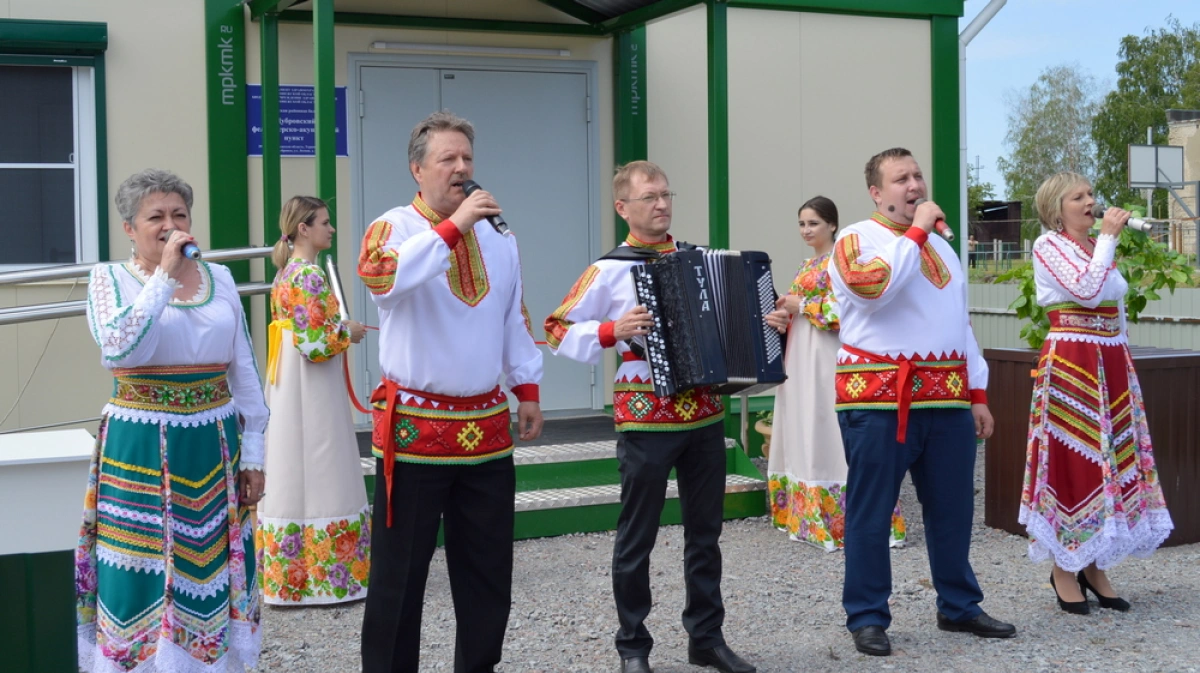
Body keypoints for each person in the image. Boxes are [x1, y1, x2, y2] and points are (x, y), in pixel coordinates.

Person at [545, 161, 756, 673]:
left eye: (665, 194)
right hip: (645, 415)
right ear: (624, 208)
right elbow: (555, 327)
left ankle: (705, 638)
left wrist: (760, 318)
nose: (661, 204)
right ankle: (633, 647)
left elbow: (733, 317)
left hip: (705, 412)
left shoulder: (700, 259)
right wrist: (609, 331)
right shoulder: (609, 269)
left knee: (705, 533)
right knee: (636, 535)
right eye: (649, 197)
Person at [356, 110, 544, 673]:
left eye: (467, 158)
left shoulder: (499, 237)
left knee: (488, 576)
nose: (462, 169)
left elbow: (513, 316)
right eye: (448, 159)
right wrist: (454, 225)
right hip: (415, 432)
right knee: (399, 579)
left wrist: (526, 387)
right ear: (417, 170)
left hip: (486, 431)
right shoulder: (393, 227)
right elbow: (383, 281)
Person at [826, 148, 1016, 657]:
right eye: (900, 179)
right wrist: (916, 233)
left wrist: (978, 393)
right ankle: (866, 615)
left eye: (917, 175)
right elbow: (873, 289)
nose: (914, 186)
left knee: (953, 509)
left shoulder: (944, 251)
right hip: (879, 400)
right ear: (876, 192)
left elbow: (960, 326)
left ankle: (958, 605)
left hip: (948, 399)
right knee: (871, 511)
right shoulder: (853, 239)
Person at [76, 168, 268, 671]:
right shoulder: (109, 279)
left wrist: (255, 453)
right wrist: (162, 276)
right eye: (155, 216)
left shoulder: (219, 277)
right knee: (139, 562)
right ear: (129, 227)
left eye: (179, 214)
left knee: (211, 564)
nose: (169, 224)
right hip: (139, 445)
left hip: (213, 445)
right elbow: (119, 346)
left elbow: (243, 369)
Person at [1019, 172, 1173, 614]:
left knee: (1110, 455)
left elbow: (1115, 306)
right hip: (1072, 359)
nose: (1090, 202)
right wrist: (1108, 238)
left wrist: (1123, 360)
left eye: (1091, 195)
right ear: (1056, 208)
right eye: (1078, 196)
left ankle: (1094, 562)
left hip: (1109, 359)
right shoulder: (1048, 246)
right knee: (1075, 456)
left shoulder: (1093, 247)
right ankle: (1064, 566)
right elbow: (1085, 292)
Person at [763, 196, 906, 551]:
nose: (806, 230)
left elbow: (851, 310)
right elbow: (803, 309)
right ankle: (805, 515)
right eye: (801, 224)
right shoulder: (807, 264)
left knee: (825, 425)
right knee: (802, 425)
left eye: (813, 223)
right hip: (799, 355)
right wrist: (785, 315)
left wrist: (803, 305)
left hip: (827, 355)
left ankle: (845, 520)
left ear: (832, 225)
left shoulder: (842, 263)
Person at [257, 196, 371, 605]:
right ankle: (326, 578)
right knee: (323, 461)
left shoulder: (287, 273)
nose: (331, 229)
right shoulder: (308, 276)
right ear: (304, 228)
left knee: (294, 465)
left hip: (290, 379)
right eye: (325, 222)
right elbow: (313, 341)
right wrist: (349, 331)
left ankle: (293, 577)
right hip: (310, 381)